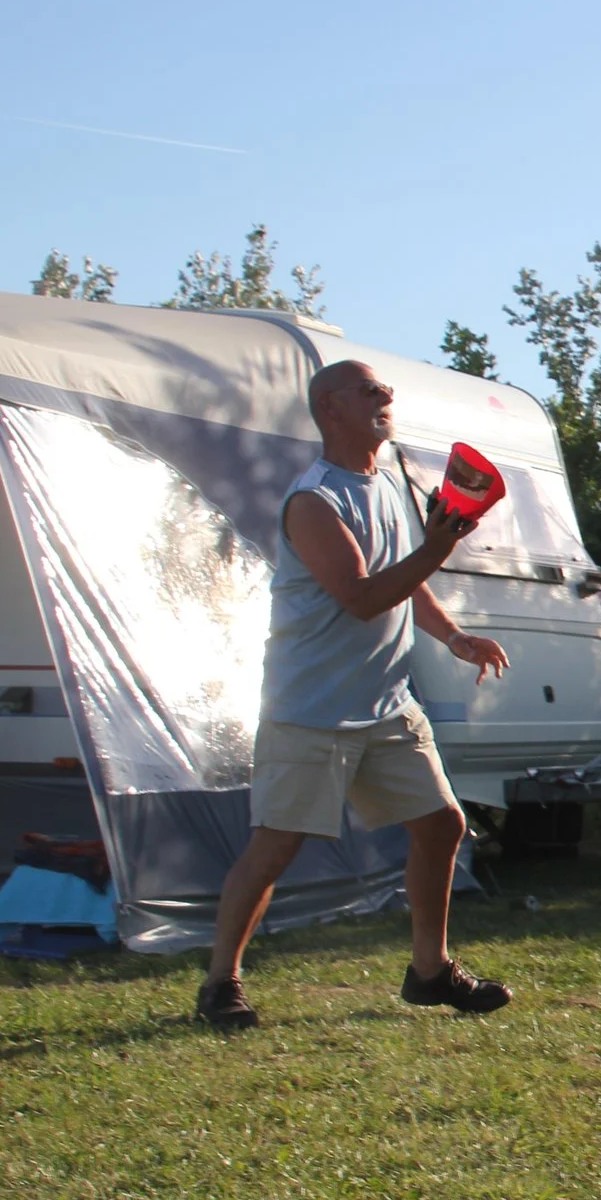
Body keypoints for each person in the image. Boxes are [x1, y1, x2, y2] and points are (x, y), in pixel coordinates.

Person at [195, 360, 514, 1031]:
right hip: (310, 710)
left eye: (386, 390)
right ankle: (221, 983)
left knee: (442, 823)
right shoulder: (312, 501)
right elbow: (364, 597)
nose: (386, 396)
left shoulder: (390, 482)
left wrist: (453, 636)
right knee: (275, 847)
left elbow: (404, 578)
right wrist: (437, 548)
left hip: (386, 703)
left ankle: (431, 971)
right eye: (370, 389)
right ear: (329, 408)